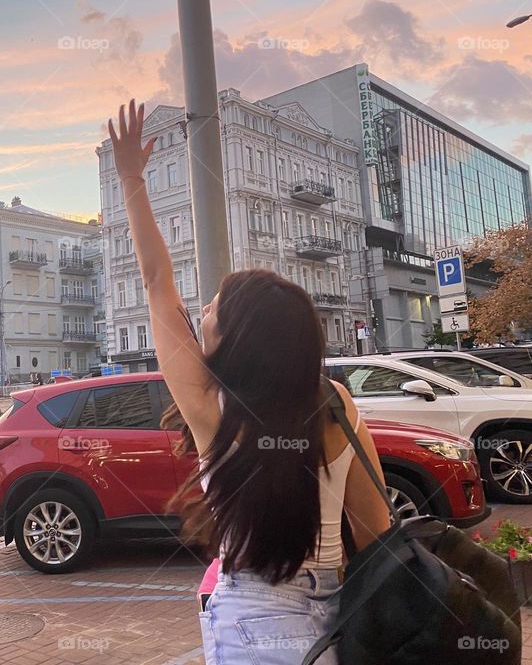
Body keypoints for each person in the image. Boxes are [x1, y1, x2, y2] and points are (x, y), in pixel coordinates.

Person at [107, 100, 390, 664]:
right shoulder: (337, 404)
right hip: (342, 615)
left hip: (255, 620)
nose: (200, 314)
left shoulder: (215, 411)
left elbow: (158, 281)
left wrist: (131, 179)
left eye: (210, 311)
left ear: (239, 340)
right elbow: (378, 525)